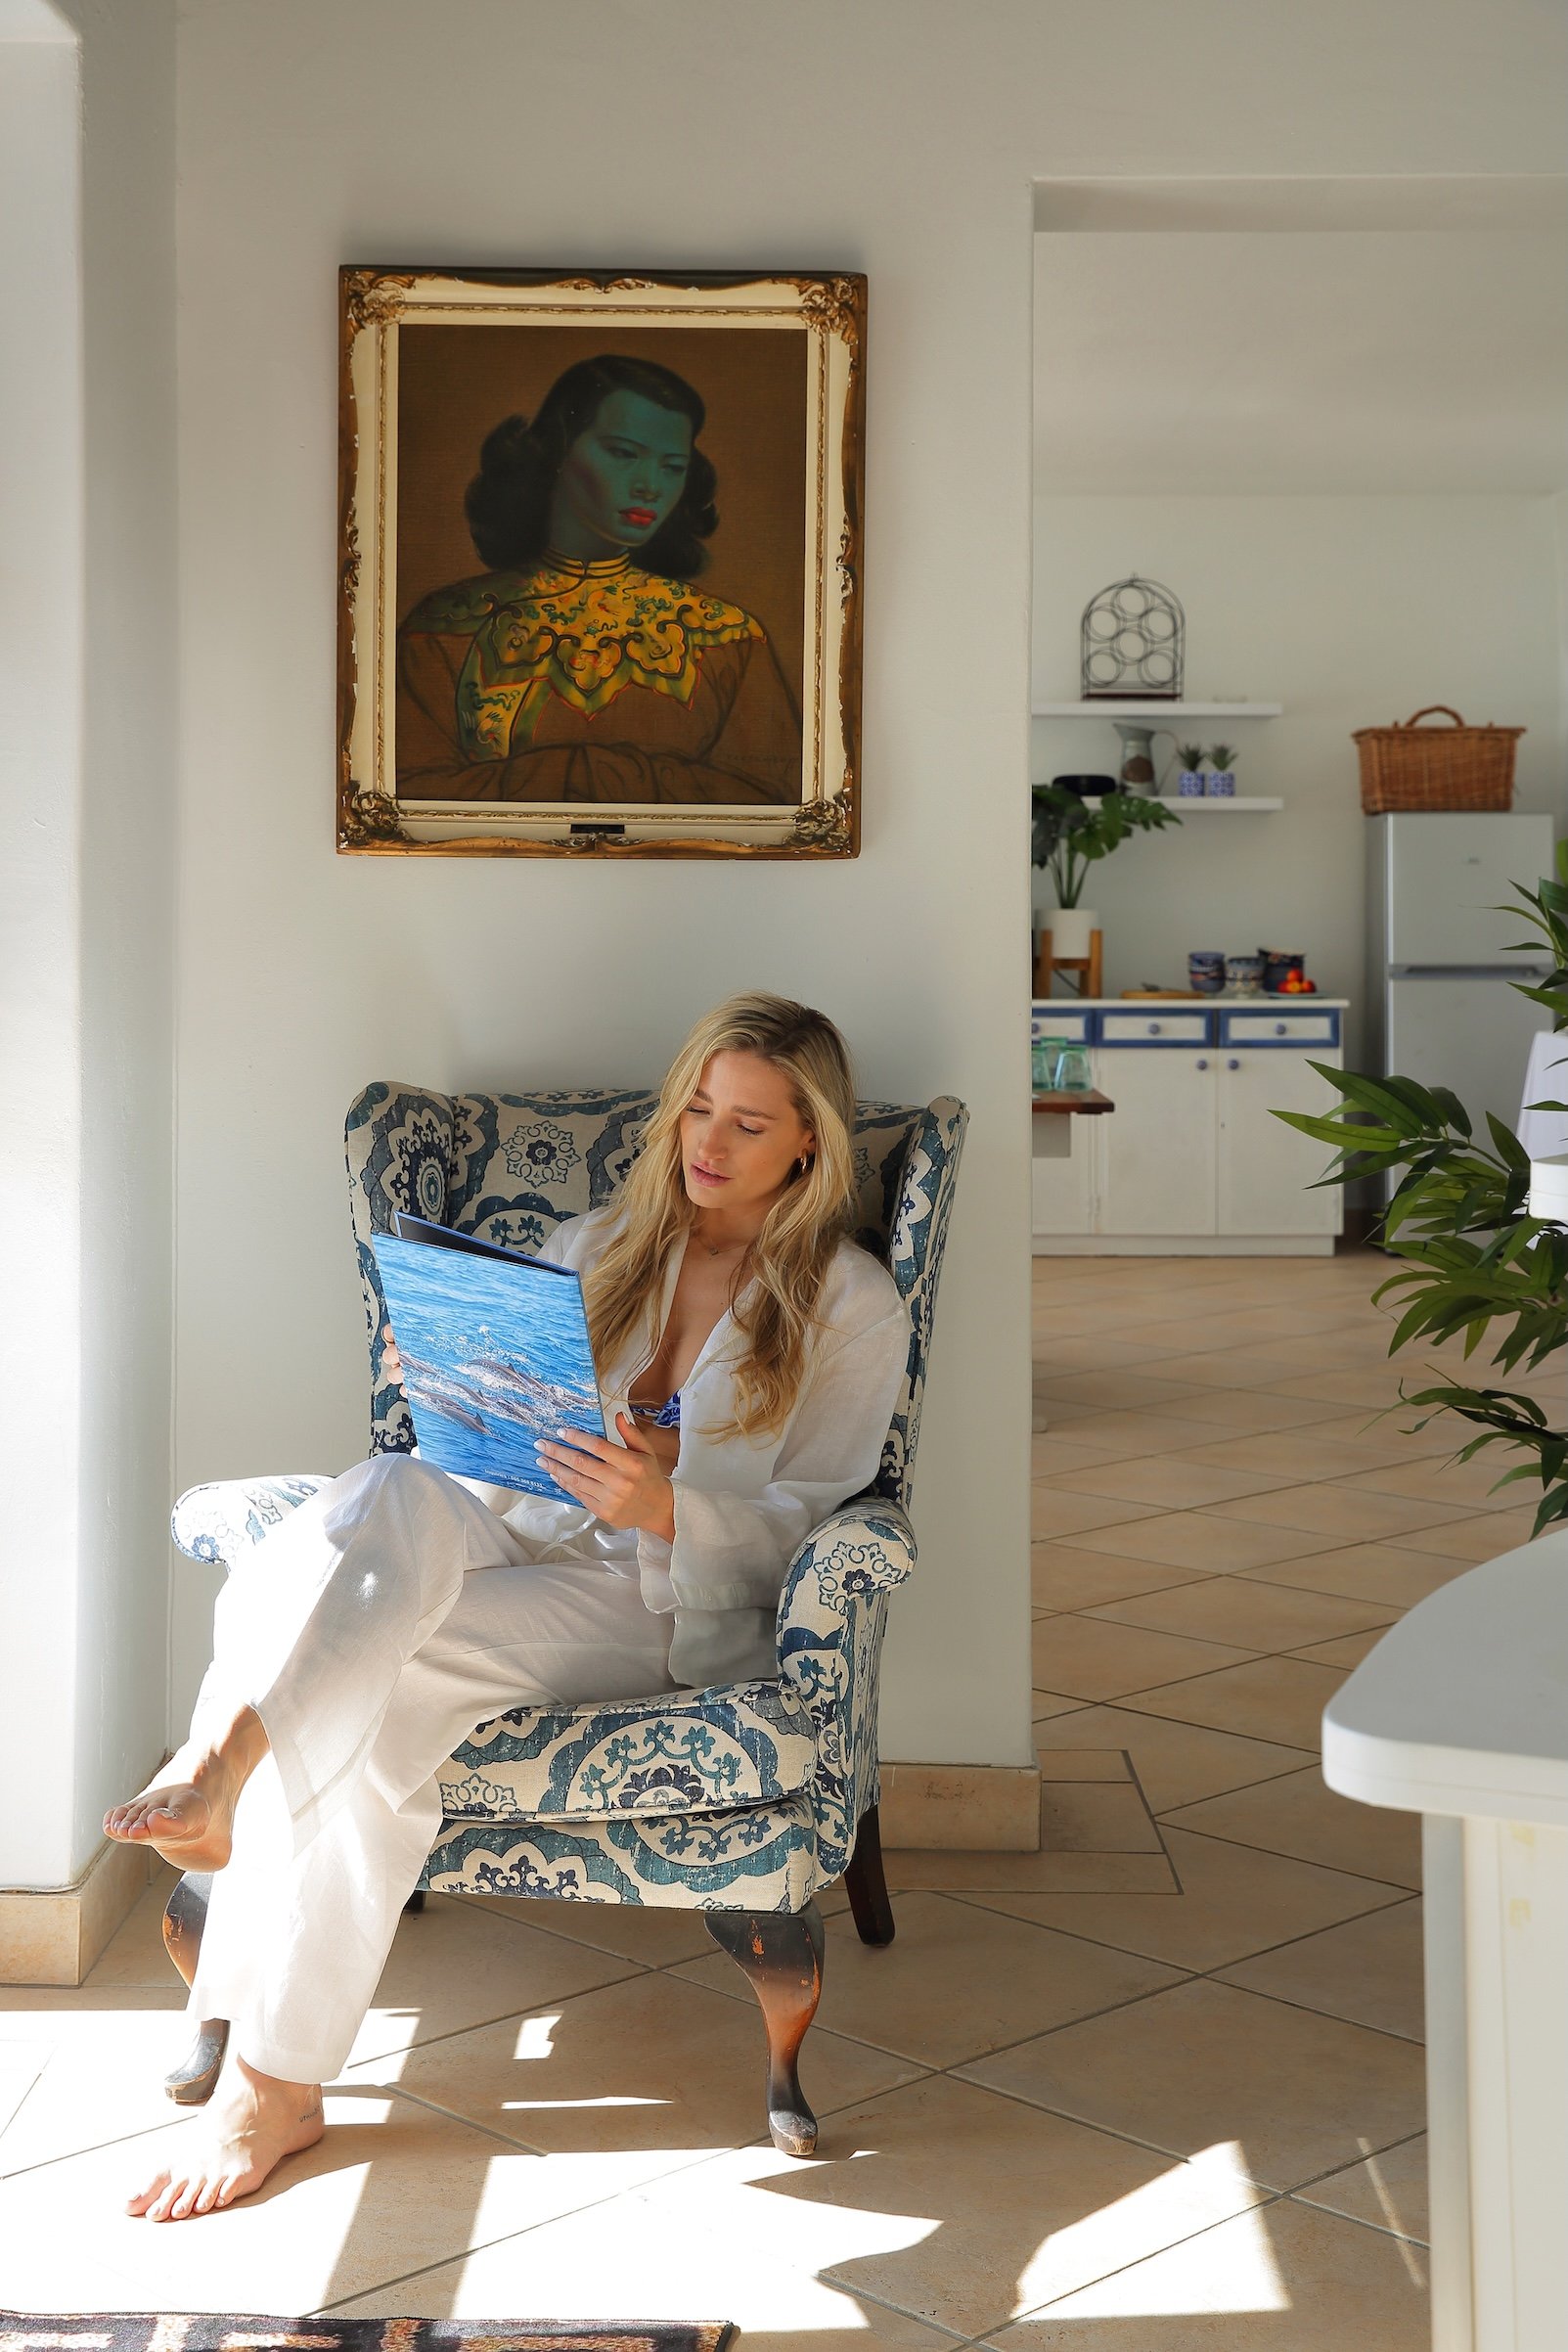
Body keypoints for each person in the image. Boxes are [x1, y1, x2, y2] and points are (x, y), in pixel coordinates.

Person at [104, 993, 908, 2222]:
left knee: (387, 1695)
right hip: (509, 1528)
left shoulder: (849, 1305)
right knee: (382, 1481)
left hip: (651, 1594)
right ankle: (225, 1758)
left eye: (749, 1123)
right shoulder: (599, 1244)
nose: (709, 1142)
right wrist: (451, 1390)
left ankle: (269, 2075)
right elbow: (481, 1429)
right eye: (698, 1106)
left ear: (810, 1144)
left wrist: (668, 1507)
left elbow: (822, 1514)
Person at [395, 353, 803, 805]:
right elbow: (408, 800)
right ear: (557, 451)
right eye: (624, 454)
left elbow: (774, 805)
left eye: (672, 466)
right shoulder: (444, 626)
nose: (650, 485)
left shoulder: (728, 637)